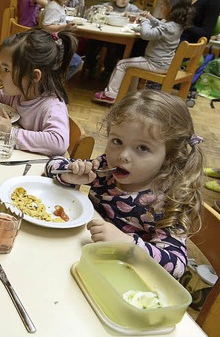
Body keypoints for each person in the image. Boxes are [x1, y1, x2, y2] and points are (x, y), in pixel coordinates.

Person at [45, 90, 204, 279]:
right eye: (117, 141)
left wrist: (128, 244)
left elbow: (176, 266)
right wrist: (70, 175)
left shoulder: (169, 200)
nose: (123, 155)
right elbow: (51, 165)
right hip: (80, 257)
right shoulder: (105, 166)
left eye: (142, 148)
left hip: (122, 277)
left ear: (169, 157)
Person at [0, 29, 76, 156]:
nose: (0, 75)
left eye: (6, 69)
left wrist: (10, 133)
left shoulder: (51, 106)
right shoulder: (20, 94)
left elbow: (58, 143)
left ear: (34, 76)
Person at [94, 0, 194, 104]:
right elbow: (162, 26)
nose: (162, 7)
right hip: (164, 63)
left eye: (164, 5)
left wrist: (145, 21)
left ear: (172, 8)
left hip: (155, 63)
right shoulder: (176, 25)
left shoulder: (169, 27)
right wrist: (151, 18)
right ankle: (132, 95)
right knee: (133, 65)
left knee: (122, 64)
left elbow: (146, 34)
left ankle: (110, 95)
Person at [83, 0, 142, 79]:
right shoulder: (109, 5)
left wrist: (133, 15)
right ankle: (91, 66)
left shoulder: (132, 8)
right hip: (103, 33)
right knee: (92, 44)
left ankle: (108, 71)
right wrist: (103, 10)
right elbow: (92, 9)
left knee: (113, 49)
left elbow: (140, 16)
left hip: (119, 36)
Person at [40, 0, 83, 79]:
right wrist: (65, 27)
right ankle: (53, 83)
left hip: (55, 44)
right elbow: (46, 27)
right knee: (76, 61)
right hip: (50, 46)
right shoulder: (54, 7)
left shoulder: (58, 5)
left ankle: (52, 82)